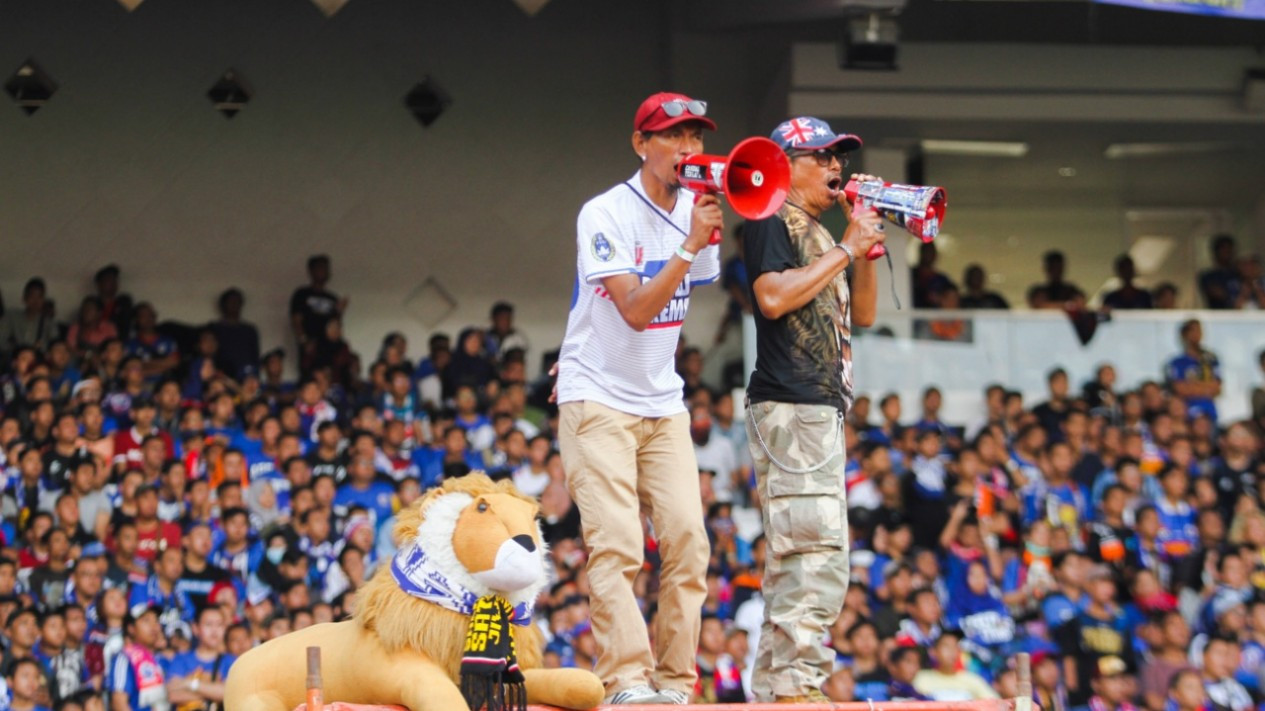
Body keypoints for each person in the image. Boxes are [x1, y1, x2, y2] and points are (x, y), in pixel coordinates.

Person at [554, 91, 723, 707]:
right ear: (640, 144)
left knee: (689, 541)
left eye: (696, 137)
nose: (688, 149)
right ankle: (626, 680)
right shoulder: (603, 212)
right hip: (595, 396)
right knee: (619, 543)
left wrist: (700, 237)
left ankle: (676, 685)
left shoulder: (698, 211)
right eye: (674, 136)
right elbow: (634, 312)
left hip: (662, 400)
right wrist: (688, 245)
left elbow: (685, 299)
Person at [741, 115, 885, 703]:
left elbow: (868, 316)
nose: (836, 168)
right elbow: (772, 298)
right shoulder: (771, 215)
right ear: (784, 164)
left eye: (839, 158)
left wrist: (864, 246)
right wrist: (846, 247)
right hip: (793, 406)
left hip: (815, 409)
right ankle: (797, 689)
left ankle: (780, 689)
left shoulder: (825, 235)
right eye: (821, 157)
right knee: (816, 555)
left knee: (799, 555)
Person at [289, 255, 346, 376]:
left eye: (326, 268)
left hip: (329, 348)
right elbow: (296, 320)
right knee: (310, 378)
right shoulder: (302, 294)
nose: (323, 271)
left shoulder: (332, 298)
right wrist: (304, 341)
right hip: (311, 346)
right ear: (311, 271)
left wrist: (340, 311)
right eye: (320, 268)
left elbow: (336, 326)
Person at [108, 605, 169, 711]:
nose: (154, 626)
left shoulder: (163, 660)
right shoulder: (124, 657)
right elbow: (119, 703)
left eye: (156, 621)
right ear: (131, 628)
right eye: (146, 621)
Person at [1198, 234, 1242, 309]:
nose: (1227, 253)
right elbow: (1218, 294)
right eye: (1224, 250)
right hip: (1218, 315)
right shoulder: (1208, 276)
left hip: (1241, 315)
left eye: (1229, 250)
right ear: (1216, 252)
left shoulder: (1239, 274)